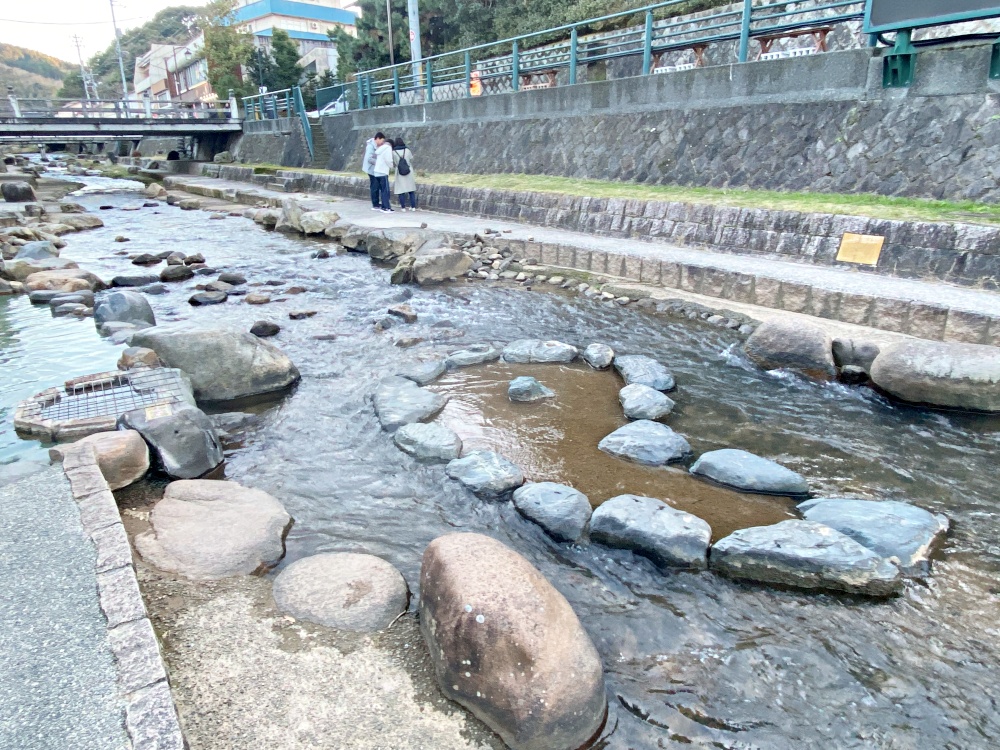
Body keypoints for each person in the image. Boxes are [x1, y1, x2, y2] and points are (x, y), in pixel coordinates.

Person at [392, 138, 417, 211]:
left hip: (399, 171)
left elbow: (394, 162)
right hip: (408, 170)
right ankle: (413, 207)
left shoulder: (394, 152)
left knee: (401, 190)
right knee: (411, 189)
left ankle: (403, 207)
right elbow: (411, 159)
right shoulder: (407, 150)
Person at [372, 132, 394, 213]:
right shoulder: (388, 148)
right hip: (383, 172)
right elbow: (388, 160)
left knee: (382, 190)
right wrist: (391, 166)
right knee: (385, 190)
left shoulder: (380, 149)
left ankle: (384, 207)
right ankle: (386, 207)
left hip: (377, 172)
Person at [361, 133, 380, 210]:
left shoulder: (373, 145)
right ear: (377, 138)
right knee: (374, 187)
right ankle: (375, 204)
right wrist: (379, 162)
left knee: (375, 186)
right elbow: (369, 159)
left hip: (374, 169)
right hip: (371, 169)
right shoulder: (370, 146)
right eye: (381, 140)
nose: (381, 142)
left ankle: (376, 203)